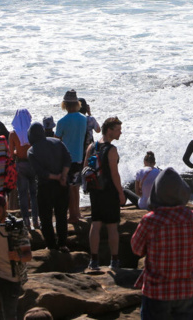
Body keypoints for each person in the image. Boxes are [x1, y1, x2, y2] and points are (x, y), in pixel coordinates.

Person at [131, 167, 193, 320]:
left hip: (157, 291)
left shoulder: (150, 220)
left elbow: (136, 249)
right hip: (186, 289)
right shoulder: (191, 217)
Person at [85, 116, 125, 270]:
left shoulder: (92, 147)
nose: (120, 133)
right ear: (109, 131)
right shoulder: (111, 149)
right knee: (112, 226)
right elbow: (115, 174)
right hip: (109, 191)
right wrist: (121, 193)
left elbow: (85, 169)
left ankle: (93, 261)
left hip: (95, 191)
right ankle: (114, 261)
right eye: (118, 130)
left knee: (95, 224)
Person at [27, 122, 71, 252]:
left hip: (46, 186)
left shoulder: (32, 150)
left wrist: (56, 177)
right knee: (61, 215)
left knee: (45, 217)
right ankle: (63, 244)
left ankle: (51, 245)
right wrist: (63, 176)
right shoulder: (57, 142)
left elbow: (41, 172)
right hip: (62, 184)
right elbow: (68, 159)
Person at [55, 90, 87, 224]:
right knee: (76, 187)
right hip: (80, 156)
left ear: (65, 104)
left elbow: (57, 140)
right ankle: (77, 212)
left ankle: (72, 215)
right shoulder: (83, 119)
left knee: (68, 188)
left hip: (67, 158)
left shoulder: (62, 121)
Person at [9, 109, 39, 230]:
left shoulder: (13, 134)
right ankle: (36, 221)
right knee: (34, 194)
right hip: (33, 163)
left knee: (22, 194)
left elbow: (11, 154)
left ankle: (26, 222)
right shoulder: (32, 131)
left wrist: (17, 151)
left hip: (20, 164)